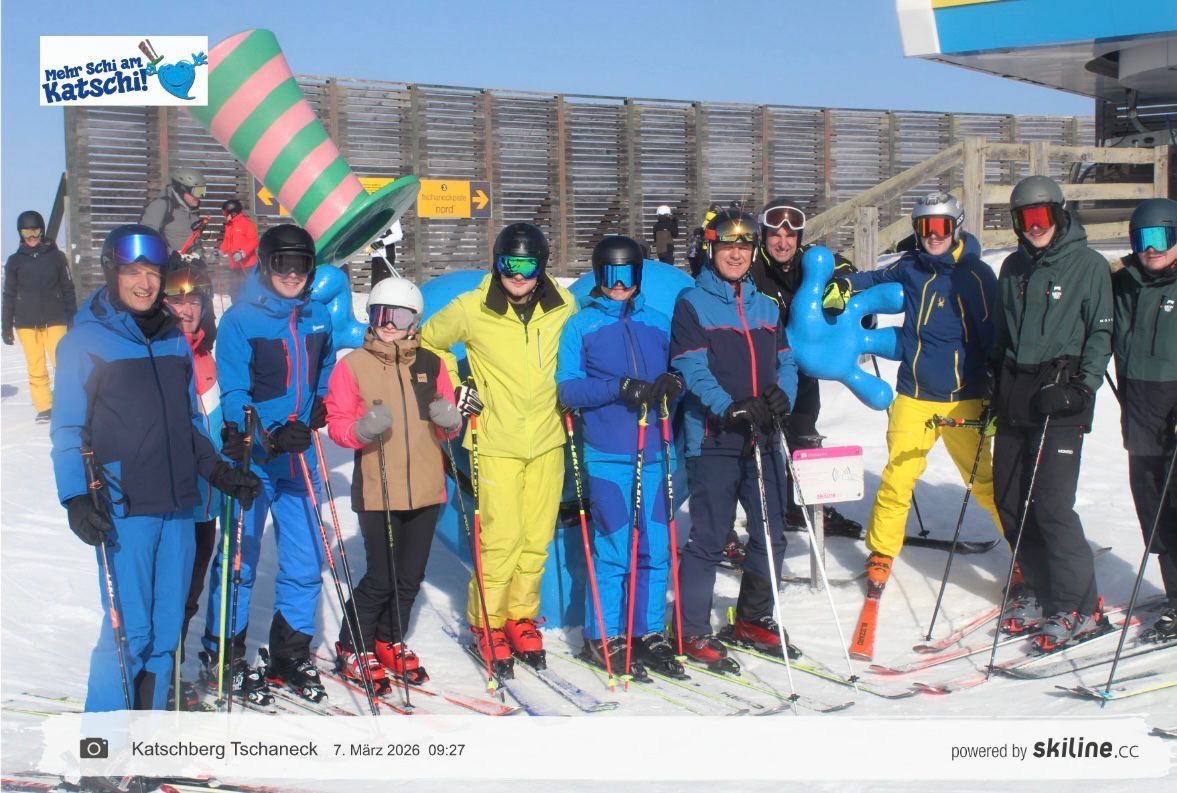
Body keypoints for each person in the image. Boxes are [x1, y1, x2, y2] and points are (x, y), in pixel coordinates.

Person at [49, 225, 260, 711]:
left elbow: (188, 423)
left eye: (152, 273)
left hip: (180, 508)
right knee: (130, 632)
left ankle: (148, 737)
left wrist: (218, 471)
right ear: (112, 273)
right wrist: (76, 497)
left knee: (166, 632)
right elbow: (66, 430)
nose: (144, 283)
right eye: (133, 272)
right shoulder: (85, 342)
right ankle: (101, 748)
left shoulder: (170, 339)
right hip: (124, 508)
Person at [823, 193, 1001, 588]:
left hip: (964, 398)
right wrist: (841, 286)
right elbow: (872, 279)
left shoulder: (976, 277)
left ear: (956, 226)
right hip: (914, 396)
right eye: (924, 228)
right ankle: (882, 553)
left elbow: (994, 339)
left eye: (940, 228)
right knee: (897, 478)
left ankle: (1027, 550)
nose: (932, 236)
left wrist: (994, 396)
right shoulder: (911, 267)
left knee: (986, 482)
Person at [420, 222, 576, 671]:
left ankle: (521, 618)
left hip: (548, 440)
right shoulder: (473, 307)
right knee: (501, 540)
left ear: (542, 267)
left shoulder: (563, 304)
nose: (518, 275)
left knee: (535, 538)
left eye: (527, 265)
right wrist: (456, 384)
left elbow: (578, 349)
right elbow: (429, 343)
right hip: (495, 441)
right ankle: (486, 623)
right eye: (510, 263)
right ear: (497, 262)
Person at [201, 223, 336, 701]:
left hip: (298, 458)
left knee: (305, 560)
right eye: (283, 264)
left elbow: (324, 370)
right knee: (240, 560)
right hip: (253, 458)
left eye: (301, 265)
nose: (292, 274)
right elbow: (235, 391)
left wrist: (320, 405)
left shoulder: (317, 315)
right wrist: (270, 434)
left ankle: (290, 652)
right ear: (265, 264)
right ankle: (224, 652)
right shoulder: (242, 320)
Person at [988, 175, 1113, 652]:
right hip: (1017, 390)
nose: (1033, 227)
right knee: (1011, 502)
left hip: (1062, 393)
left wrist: (1083, 387)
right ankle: (1042, 593)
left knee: (1054, 507)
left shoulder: (1089, 265)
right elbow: (1001, 331)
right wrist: (990, 376)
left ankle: (1079, 605)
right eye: (1024, 219)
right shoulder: (1013, 268)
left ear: (1060, 214)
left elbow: (1101, 336)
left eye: (1041, 217)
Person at [670, 209, 798, 664]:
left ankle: (752, 617)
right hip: (715, 437)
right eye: (727, 246)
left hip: (762, 434)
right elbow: (690, 365)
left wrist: (783, 396)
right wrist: (728, 405)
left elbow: (787, 360)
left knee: (771, 534)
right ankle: (690, 631)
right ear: (711, 250)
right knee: (708, 537)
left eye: (744, 247)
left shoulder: (766, 305)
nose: (737, 254)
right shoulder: (692, 303)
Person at [557, 235, 685, 678]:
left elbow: (681, 369)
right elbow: (568, 388)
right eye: (610, 275)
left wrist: (674, 382)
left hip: (654, 454)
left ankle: (647, 632)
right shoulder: (581, 326)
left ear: (639, 275)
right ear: (597, 275)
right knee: (614, 548)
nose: (619, 284)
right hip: (608, 455)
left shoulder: (659, 322)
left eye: (627, 274)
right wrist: (618, 388)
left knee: (654, 548)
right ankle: (604, 635)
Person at [324, 275, 462, 684]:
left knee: (409, 578)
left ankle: (389, 638)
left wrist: (449, 421)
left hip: (425, 488)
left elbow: (448, 420)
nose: (388, 322)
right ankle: (353, 644)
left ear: (413, 322)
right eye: (380, 313)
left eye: (398, 315)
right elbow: (338, 424)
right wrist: (362, 430)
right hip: (377, 489)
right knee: (380, 579)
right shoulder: (353, 366)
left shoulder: (430, 364)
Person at [751, 196, 863, 538]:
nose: (783, 243)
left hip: (803, 369)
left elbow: (848, 270)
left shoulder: (811, 260)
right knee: (760, 443)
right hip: (762, 368)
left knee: (803, 434)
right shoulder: (753, 267)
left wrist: (840, 287)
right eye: (775, 235)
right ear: (764, 236)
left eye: (790, 236)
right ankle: (752, 514)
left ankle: (800, 506)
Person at [1112, 198, 1177, 641]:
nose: (1151, 249)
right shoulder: (1125, 286)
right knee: (1156, 515)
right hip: (1139, 418)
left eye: (1161, 238)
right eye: (1142, 239)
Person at [161, 264, 224, 661]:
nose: (185, 310)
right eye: (176, 300)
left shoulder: (210, 360)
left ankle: (173, 677)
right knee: (166, 592)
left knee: (189, 595)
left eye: (194, 301)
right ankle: (155, 678)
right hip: (170, 503)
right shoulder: (158, 353)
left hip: (207, 504)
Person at [2, 210, 76, 423]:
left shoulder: (56, 257)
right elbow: (8, 295)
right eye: (27, 233)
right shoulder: (14, 261)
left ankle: (67, 401)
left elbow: (68, 288)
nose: (32, 237)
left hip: (55, 318)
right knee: (35, 365)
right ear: (20, 233)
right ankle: (45, 406)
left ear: (42, 231)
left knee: (61, 362)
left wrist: (73, 318)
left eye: (35, 232)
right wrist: (6, 325)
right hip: (25, 322)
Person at [141, 167, 207, 254]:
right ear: (182, 189)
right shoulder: (160, 206)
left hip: (193, 264)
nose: (199, 197)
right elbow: (147, 239)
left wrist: (200, 257)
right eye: (197, 192)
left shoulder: (191, 210)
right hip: (171, 265)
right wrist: (172, 256)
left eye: (203, 191)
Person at [219, 198, 258, 298]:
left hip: (247, 266)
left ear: (233, 213)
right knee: (234, 292)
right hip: (234, 266)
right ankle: (236, 310)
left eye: (225, 214)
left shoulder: (247, 224)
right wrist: (219, 251)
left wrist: (243, 253)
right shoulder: (229, 226)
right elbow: (227, 242)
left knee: (248, 292)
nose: (224, 216)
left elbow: (254, 241)